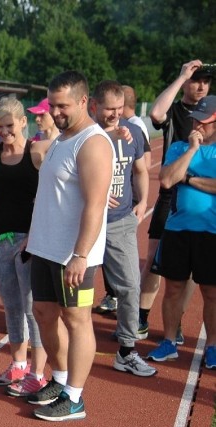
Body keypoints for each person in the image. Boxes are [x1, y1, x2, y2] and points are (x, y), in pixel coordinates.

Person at [24, 71, 114, 422]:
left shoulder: (92, 143)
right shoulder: (61, 139)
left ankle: (74, 397)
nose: (57, 112)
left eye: (63, 106)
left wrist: (80, 254)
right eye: (53, 106)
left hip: (74, 254)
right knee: (44, 314)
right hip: (46, 247)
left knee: (77, 320)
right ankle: (59, 379)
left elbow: (95, 204)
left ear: (82, 101)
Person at [0, 97, 52, 395]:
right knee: (11, 306)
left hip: (29, 239)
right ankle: (18, 364)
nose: (4, 131)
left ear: (23, 122)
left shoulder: (37, 150)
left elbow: (77, 150)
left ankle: (37, 372)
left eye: (9, 125)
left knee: (34, 308)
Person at [141, 60, 211, 345]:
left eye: (206, 82)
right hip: (170, 197)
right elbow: (156, 113)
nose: (201, 86)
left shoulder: (212, 113)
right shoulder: (177, 110)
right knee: (154, 262)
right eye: (197, 80)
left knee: (192, 273)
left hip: (199, 195)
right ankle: (141, 318)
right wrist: (182, 75)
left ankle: (177, 322)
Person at [89, 80, 156, 377]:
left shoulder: (133, 132)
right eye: (109, 109)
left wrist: (143, 202)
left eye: (119, 109)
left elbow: (140, 169)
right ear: (93, 106)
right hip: (85, 225)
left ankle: (127, 350)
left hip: (120, 223)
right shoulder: (84, 133)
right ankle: (66, 346)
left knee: (130, 286)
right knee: (77, 291)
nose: (115, 115)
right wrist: (105, 134)